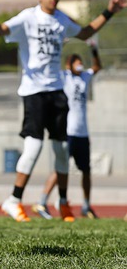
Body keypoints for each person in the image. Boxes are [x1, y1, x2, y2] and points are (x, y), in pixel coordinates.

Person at [0, 0, 126, 222]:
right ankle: (13, 200)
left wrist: (110, 11)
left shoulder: (61, 20)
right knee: (33, 147)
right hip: (34, 92)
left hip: (57, 92)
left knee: (62, 149)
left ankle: (64, 203)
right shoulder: (27, 18)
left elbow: (86, 32)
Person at [33, 45, 102, 219]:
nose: (79, 65)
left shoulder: (84, 77)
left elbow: (96, 68)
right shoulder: (65, 77)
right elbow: (53, 68)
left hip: (83, 133)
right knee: (60, 168)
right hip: (68, 131)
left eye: (81, 62)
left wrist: (94, 51)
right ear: (69, 65)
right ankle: (42, 201)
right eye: (76, 63)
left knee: (86, 171)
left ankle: (86, 206)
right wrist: (60, 46)